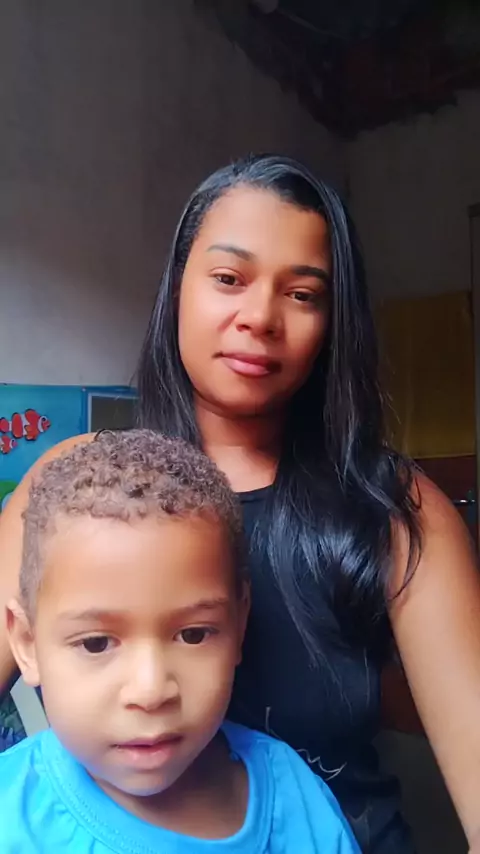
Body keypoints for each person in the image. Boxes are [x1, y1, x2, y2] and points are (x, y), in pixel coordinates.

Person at [0, 154, 479, 853]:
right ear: (178, 287)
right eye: (229, 278)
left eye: (303, 294)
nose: (260, 317)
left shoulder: (400, 511)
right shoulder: (71, 484)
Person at [0, 429, 359, 853]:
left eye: (193, 635)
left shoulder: (295, 800)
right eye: (96, 643)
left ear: (239, 625)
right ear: (27, 642)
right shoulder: (11, 817)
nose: (151, 691)